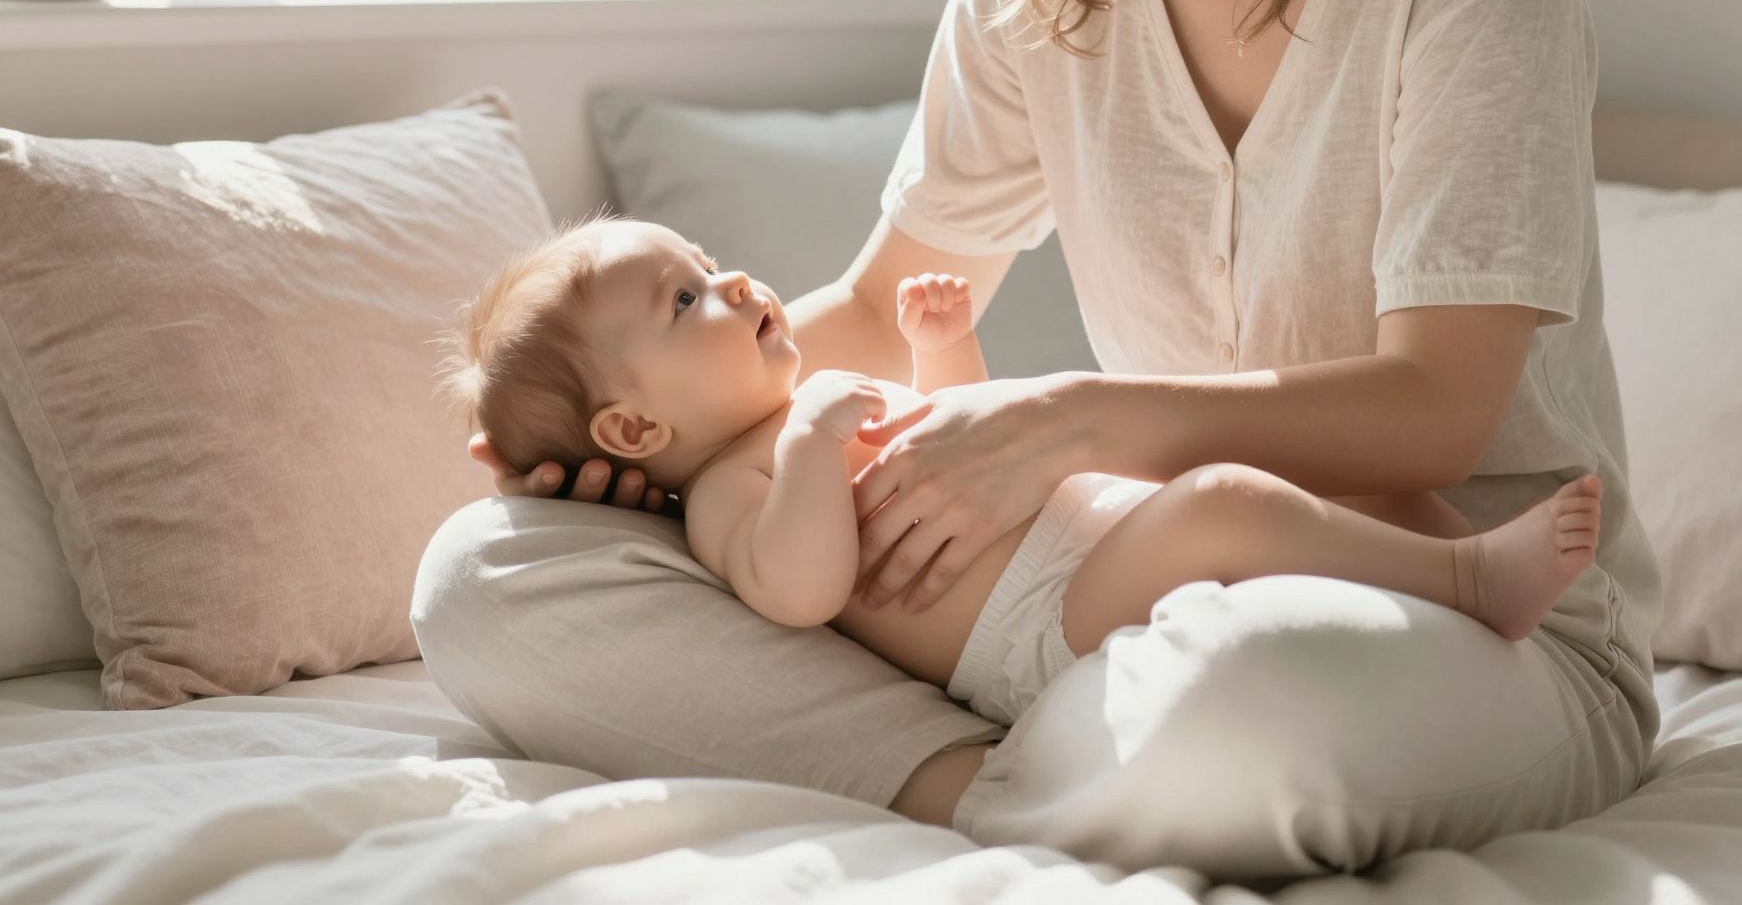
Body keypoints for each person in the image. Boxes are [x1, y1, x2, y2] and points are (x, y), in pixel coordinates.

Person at [411, 0, 1662, 882]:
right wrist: (635, 440)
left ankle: (1017, 767)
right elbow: (882, 311)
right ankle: (970, 775)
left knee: (1245, 701)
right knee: (485, 578)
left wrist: (1072, 420)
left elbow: (1437, 413)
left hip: (1442, 613)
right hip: (1109, 594)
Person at [434, 215, 1606, 728]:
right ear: (634, 434)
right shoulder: (739, 488)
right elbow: (796, 592)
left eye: (705, 261)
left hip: (1087, 538)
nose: (732, 284)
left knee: (1292, 482)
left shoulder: (810, 408)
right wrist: (805, 448)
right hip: (1033, 622)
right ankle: (1464, 583)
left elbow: (967, 433)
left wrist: (939, 351)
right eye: (683, 299)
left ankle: (1430, 586)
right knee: (1228, 500)